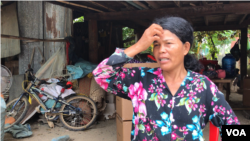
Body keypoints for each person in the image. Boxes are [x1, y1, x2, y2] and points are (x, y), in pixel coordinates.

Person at [93, 16, 240, 141]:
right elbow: (101, 74)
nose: (161, 50)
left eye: (168, 43)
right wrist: (138, 46)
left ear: (185, 48)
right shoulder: (140, 79)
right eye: (156, 45)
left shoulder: (202, 86)